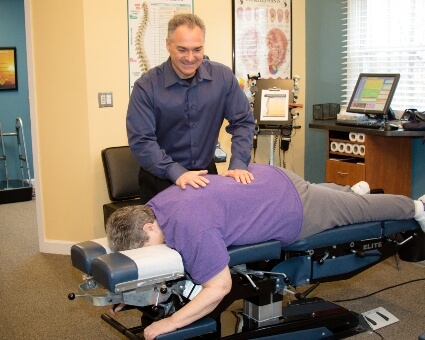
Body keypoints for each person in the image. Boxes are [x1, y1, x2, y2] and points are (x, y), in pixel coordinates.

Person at [106, 163, 425, 340]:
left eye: (146, 250)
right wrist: (132, 290)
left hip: (290, 207)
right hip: (264, 179)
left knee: (358, 210)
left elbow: (219, 288)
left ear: (148, 229)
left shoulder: (191, 229)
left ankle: (416, 205)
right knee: (333, 198)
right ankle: (347, 194)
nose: (150, 255)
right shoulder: (153, 206)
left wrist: (170, 323)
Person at [127, 13, 255, 203]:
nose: (190, 57)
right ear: (168, 45)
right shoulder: (146, 87)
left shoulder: (223, 78)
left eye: (197, 49)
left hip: (205, 176)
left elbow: (243, 121)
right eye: (182, 49)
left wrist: (238, 164)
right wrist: (176, 173)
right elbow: (142, 141)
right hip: (160, 180)